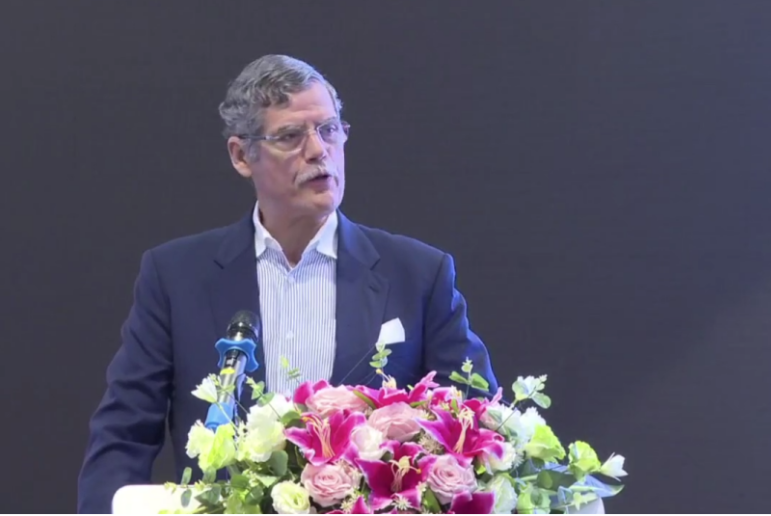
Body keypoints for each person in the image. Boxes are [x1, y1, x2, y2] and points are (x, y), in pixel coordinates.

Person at [76, 55, 497, 514]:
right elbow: (121, 438)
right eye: (291, 136)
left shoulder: (417, 275)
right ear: (241, 156)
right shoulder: (177, 277)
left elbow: (479, 430)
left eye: (329, 130)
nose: (318, 150)